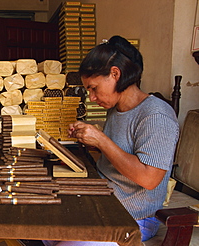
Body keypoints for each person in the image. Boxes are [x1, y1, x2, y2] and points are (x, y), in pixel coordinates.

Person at [45, 36, 180, 246]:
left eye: (93, 88)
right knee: (41, 223)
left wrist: (101, 140)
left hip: (133, 218)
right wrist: (92, 142)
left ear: (115, 74)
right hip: (103, 200)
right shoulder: (116, 110)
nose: (91, 97)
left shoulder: (156, 115)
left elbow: (149, 179)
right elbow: (115, 156)